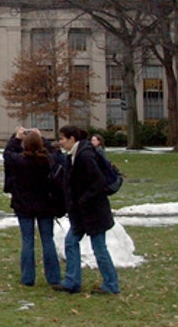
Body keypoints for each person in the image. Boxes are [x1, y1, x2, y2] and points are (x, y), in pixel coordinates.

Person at [54, 125, 121, 295]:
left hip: (94, 212)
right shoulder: (73, 156)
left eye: (62, 139)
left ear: (71, 139)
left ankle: (111, 284)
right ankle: (72, 281)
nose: (60, 142)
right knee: (71, 242)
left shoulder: (85, 156)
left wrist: (82, 200)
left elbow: (97, 183)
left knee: (99, 248)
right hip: (82, 213)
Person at [3, 126, 66, 287]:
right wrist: (42, 138)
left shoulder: (19, 161)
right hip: (45, 205)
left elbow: (7, 154)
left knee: (27, 241)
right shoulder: (47, 160)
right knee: (47, 241)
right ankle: (53, 278)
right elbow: (56, 153)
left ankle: (27, 278)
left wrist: (16, 138)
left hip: (24, 205)